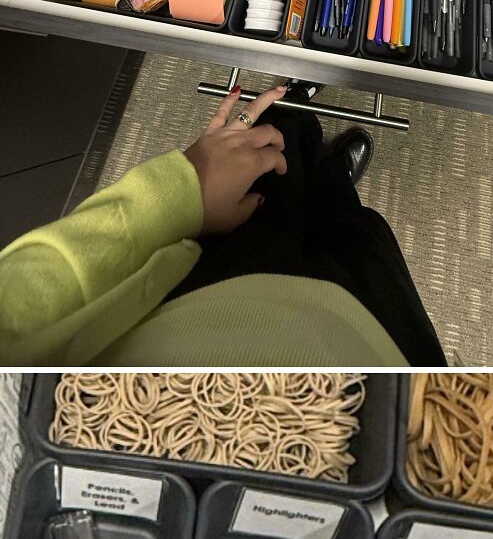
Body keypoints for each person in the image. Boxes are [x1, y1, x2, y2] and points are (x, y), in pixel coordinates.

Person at [0, 82, 446, 368]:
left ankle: (307, 143)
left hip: (205, 296)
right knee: (359, 229)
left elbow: (23, 295)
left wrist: (186, 187)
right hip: (384, 341)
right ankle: (328, 174)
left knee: (271, 166)